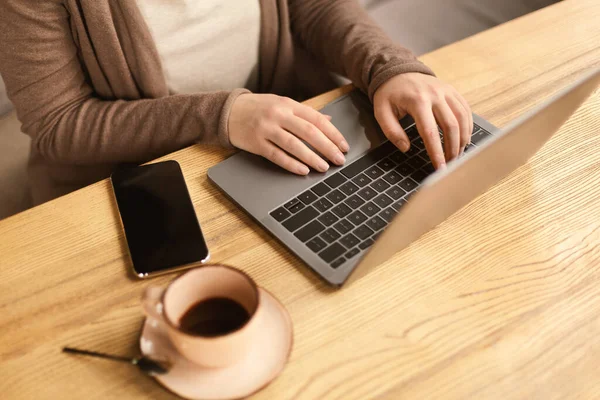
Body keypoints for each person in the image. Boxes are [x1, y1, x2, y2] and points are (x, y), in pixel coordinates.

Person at [0, 0, 472, 205]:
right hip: (131, 181)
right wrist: (222, 116)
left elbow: (314, 8)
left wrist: (388, 66)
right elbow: (58, 123)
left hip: (282, 137)